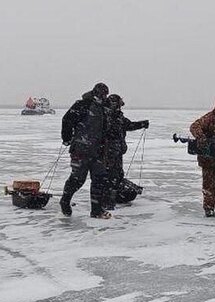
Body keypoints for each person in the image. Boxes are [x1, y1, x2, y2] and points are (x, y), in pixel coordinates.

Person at [59, 83, 111, 218]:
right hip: (81, 150)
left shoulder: (105, 108)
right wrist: (67, 138)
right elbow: (67, 120)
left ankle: (96, 210)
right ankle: (65, 201)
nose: (103, 97)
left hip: (98, 151)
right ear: (94, 93)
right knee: (77, 179)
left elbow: (109, 129)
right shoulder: (82, 105)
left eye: (105, 95)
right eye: (101, 94)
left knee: (99, 180)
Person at [100, 94, 149, 210]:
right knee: (110, 176)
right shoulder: (105, 116)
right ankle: (107, 201)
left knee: (117, 175)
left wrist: (142, 124)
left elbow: (129, 125)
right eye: (119, 105)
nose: (120, 107)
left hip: (116, 152)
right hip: (107, 153)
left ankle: (112, 198)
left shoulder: (118, 117)